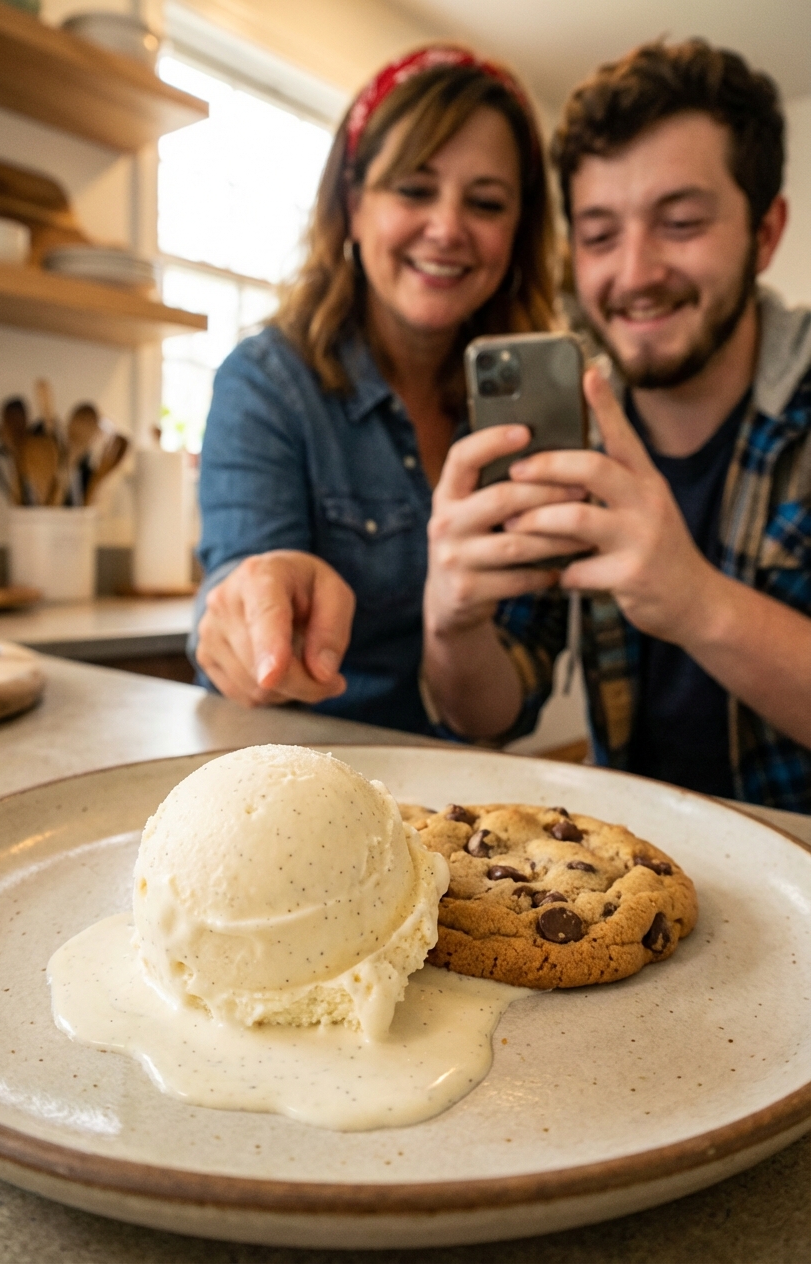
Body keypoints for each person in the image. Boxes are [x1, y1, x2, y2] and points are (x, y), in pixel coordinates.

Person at [422, 39, 811, 811]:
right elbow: (492, 713)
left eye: (681, 222)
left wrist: (698, 602)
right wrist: (452, 625)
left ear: (765, 234)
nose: (632, 274)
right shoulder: (569, 430)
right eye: (599, 235)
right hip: (643, 869)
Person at [191, 45, 556, 733]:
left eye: (485, 202)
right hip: (294, 787)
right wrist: (246, 614)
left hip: (458, 808)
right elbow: (233, 585)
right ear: (353, 206)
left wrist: (457, 624)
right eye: (414, 189)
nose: (447, 228)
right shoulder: (268, 383)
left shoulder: (533, 414)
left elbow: (501, 717)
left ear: (517, 232)